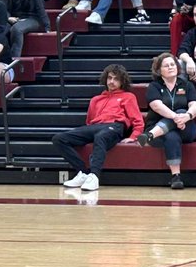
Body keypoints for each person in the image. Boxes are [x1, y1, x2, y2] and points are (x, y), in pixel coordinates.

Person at [53, 64, 143, 193]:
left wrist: (133, 137)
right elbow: (89, 121)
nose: (111, 82)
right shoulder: (96, 99)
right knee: (59, 139)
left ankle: (94, 176)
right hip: (95, 126)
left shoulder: (128, 97)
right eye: (110, 78)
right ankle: (83, 172)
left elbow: (138, 121)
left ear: (122, 81)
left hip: (115, 126)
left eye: (116, 79)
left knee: (100, 136)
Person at [135, 53, 196, 190]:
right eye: (166, 65)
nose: (170, 67)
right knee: (171, 135)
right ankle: (176, 177)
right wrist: (176, 117)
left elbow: (195, 106)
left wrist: (186, 116)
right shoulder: (154, 86)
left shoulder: (187, 85)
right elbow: (156, 106)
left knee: (182, 112)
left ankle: (149, 135)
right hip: (160, 131)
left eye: (172, 64)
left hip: (186, 129)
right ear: (158, 70)